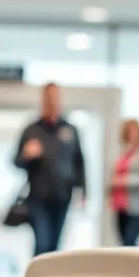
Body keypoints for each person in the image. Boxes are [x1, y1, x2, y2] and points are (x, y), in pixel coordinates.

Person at [14, 83, 87, 256]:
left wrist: (84, 192)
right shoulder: (32, 130)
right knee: (42, 243)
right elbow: (16, 162)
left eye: (56, 97)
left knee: (55, 246)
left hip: (63, 196)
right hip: (38, 196)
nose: (52, 101)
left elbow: (80, 163)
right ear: (43, 100)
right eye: (49, 97)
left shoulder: (70, 130)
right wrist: (27, 154)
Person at [110, 119, 139, 246]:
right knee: (123, 245)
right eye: (129, 131)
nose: (132, 134)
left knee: (129, 243)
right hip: (120, 206)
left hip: (138, 208)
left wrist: (127, 180)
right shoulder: (122, 152)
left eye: (135, 131)